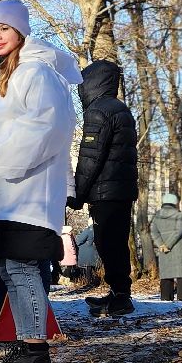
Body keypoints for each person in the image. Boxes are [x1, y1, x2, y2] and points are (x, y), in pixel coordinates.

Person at [0, 0, 81, 363]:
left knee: (23, 268)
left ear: (21, 31)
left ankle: (37, 352)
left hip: (31, 189)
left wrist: (0, 160)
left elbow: (48, 128)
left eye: (3, 30)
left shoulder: (38, 73)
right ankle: (25, 346)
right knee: (9, 269)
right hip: (1, 190)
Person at [71, 60, 139, 317]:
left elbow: (90, 157)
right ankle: (118, 293)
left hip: (105, 192)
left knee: (107, 242)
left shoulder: (98, 111)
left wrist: (77, 193)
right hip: (120, 190)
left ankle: (121, 296)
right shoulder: (119, 108)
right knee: (116, 241)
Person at [150, 192, 182, 301]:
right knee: (181, 273)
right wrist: (169, 244)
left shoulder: (157, 216)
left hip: (163, 249)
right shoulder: (178, 215)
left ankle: (166, 297)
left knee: (166, 273)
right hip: (179, 247)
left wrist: (162, 244)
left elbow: (154, 232)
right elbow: (178, 231)